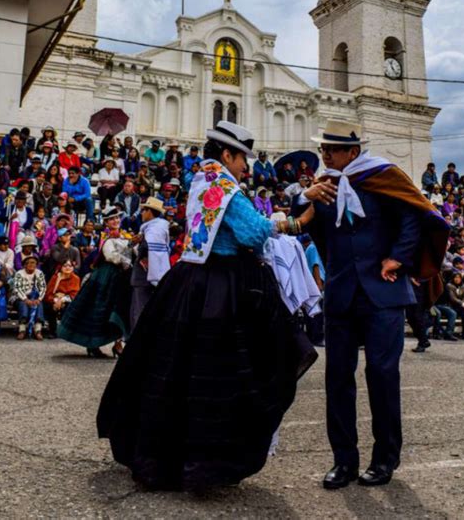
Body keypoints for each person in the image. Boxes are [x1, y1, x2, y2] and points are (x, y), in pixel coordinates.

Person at [97, 120, 316, 492]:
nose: (246, 167)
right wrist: (293, 221)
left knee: (175, 369)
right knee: (221, 371)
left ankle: (169, 457)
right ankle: (204, 465)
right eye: (242, 159)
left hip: (190, 279)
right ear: (227, 154)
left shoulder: (202, 178)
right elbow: (252, 232)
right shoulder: (224, 185)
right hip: (221, 284)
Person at [302, 120, 448, 489]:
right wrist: (306, 197)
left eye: (331, 150)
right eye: (323, 150)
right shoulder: (324, 187)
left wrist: (397, 257)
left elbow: (413, 218)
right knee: (338, 379)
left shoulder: (382, 176)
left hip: (382, 294)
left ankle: (384, 459)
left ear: (352, 151)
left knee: (382, 376)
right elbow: (307, 223)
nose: (325, 155)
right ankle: (343, 461)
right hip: (340, 293)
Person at [58, 206, 132, 358]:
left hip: (120, 278)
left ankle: (118, 344)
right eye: (112, 219)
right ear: (106, 222)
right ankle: (93, 344)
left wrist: (132, 248)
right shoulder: (106, 238)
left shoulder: (124, 237)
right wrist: (127, 259)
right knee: (98, 309)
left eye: (117, 218)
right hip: (105, 277)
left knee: (118, 310)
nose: (116, 221)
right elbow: (112, 256)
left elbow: (129, 252)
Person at [130, 197, 169, 332]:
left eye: (143, 210)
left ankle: (138, 346)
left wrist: (135, 245)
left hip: (144, 276)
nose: (141, 213)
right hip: (156, 274)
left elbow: (146, 249)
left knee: (139, 311)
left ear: (150, 212)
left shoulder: (152, 230)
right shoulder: (158, 227)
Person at [44, 259, 81, 338]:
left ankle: (66, 331)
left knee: (68, 307)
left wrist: (62, 300)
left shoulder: (76, 278)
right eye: (65, 266)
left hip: (68, 300)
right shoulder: (55, 277)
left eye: (70, 266)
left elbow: (75, 294)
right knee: (50, 308)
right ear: (61, 267)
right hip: (55, 299)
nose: (67, 268)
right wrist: (56, 301)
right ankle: (53, 331)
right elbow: (48, 293)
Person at [14, 255, 47, 340]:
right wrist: (25, 299)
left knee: (39, 305)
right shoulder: (19, 274)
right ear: (24, 265)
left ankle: (38, 330)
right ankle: (22, 330)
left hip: (36, 296)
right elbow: (17, 288)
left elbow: (43, 288)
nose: (31, 265)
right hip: (20, 297)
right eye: (28, 263)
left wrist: (39, 299)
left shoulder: (39, 273)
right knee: (23, 305)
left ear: (36, 264)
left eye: (33, 263)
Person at [446, 272, 464, 338]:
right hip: (451, 306)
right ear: (453, 278)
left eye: (459, 277)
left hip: (460, 306)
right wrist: (462, 303)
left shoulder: (462, 286)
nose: (457, 279)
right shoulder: (449, 285)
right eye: (456, 277)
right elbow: (452, 298)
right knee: (463, 311)